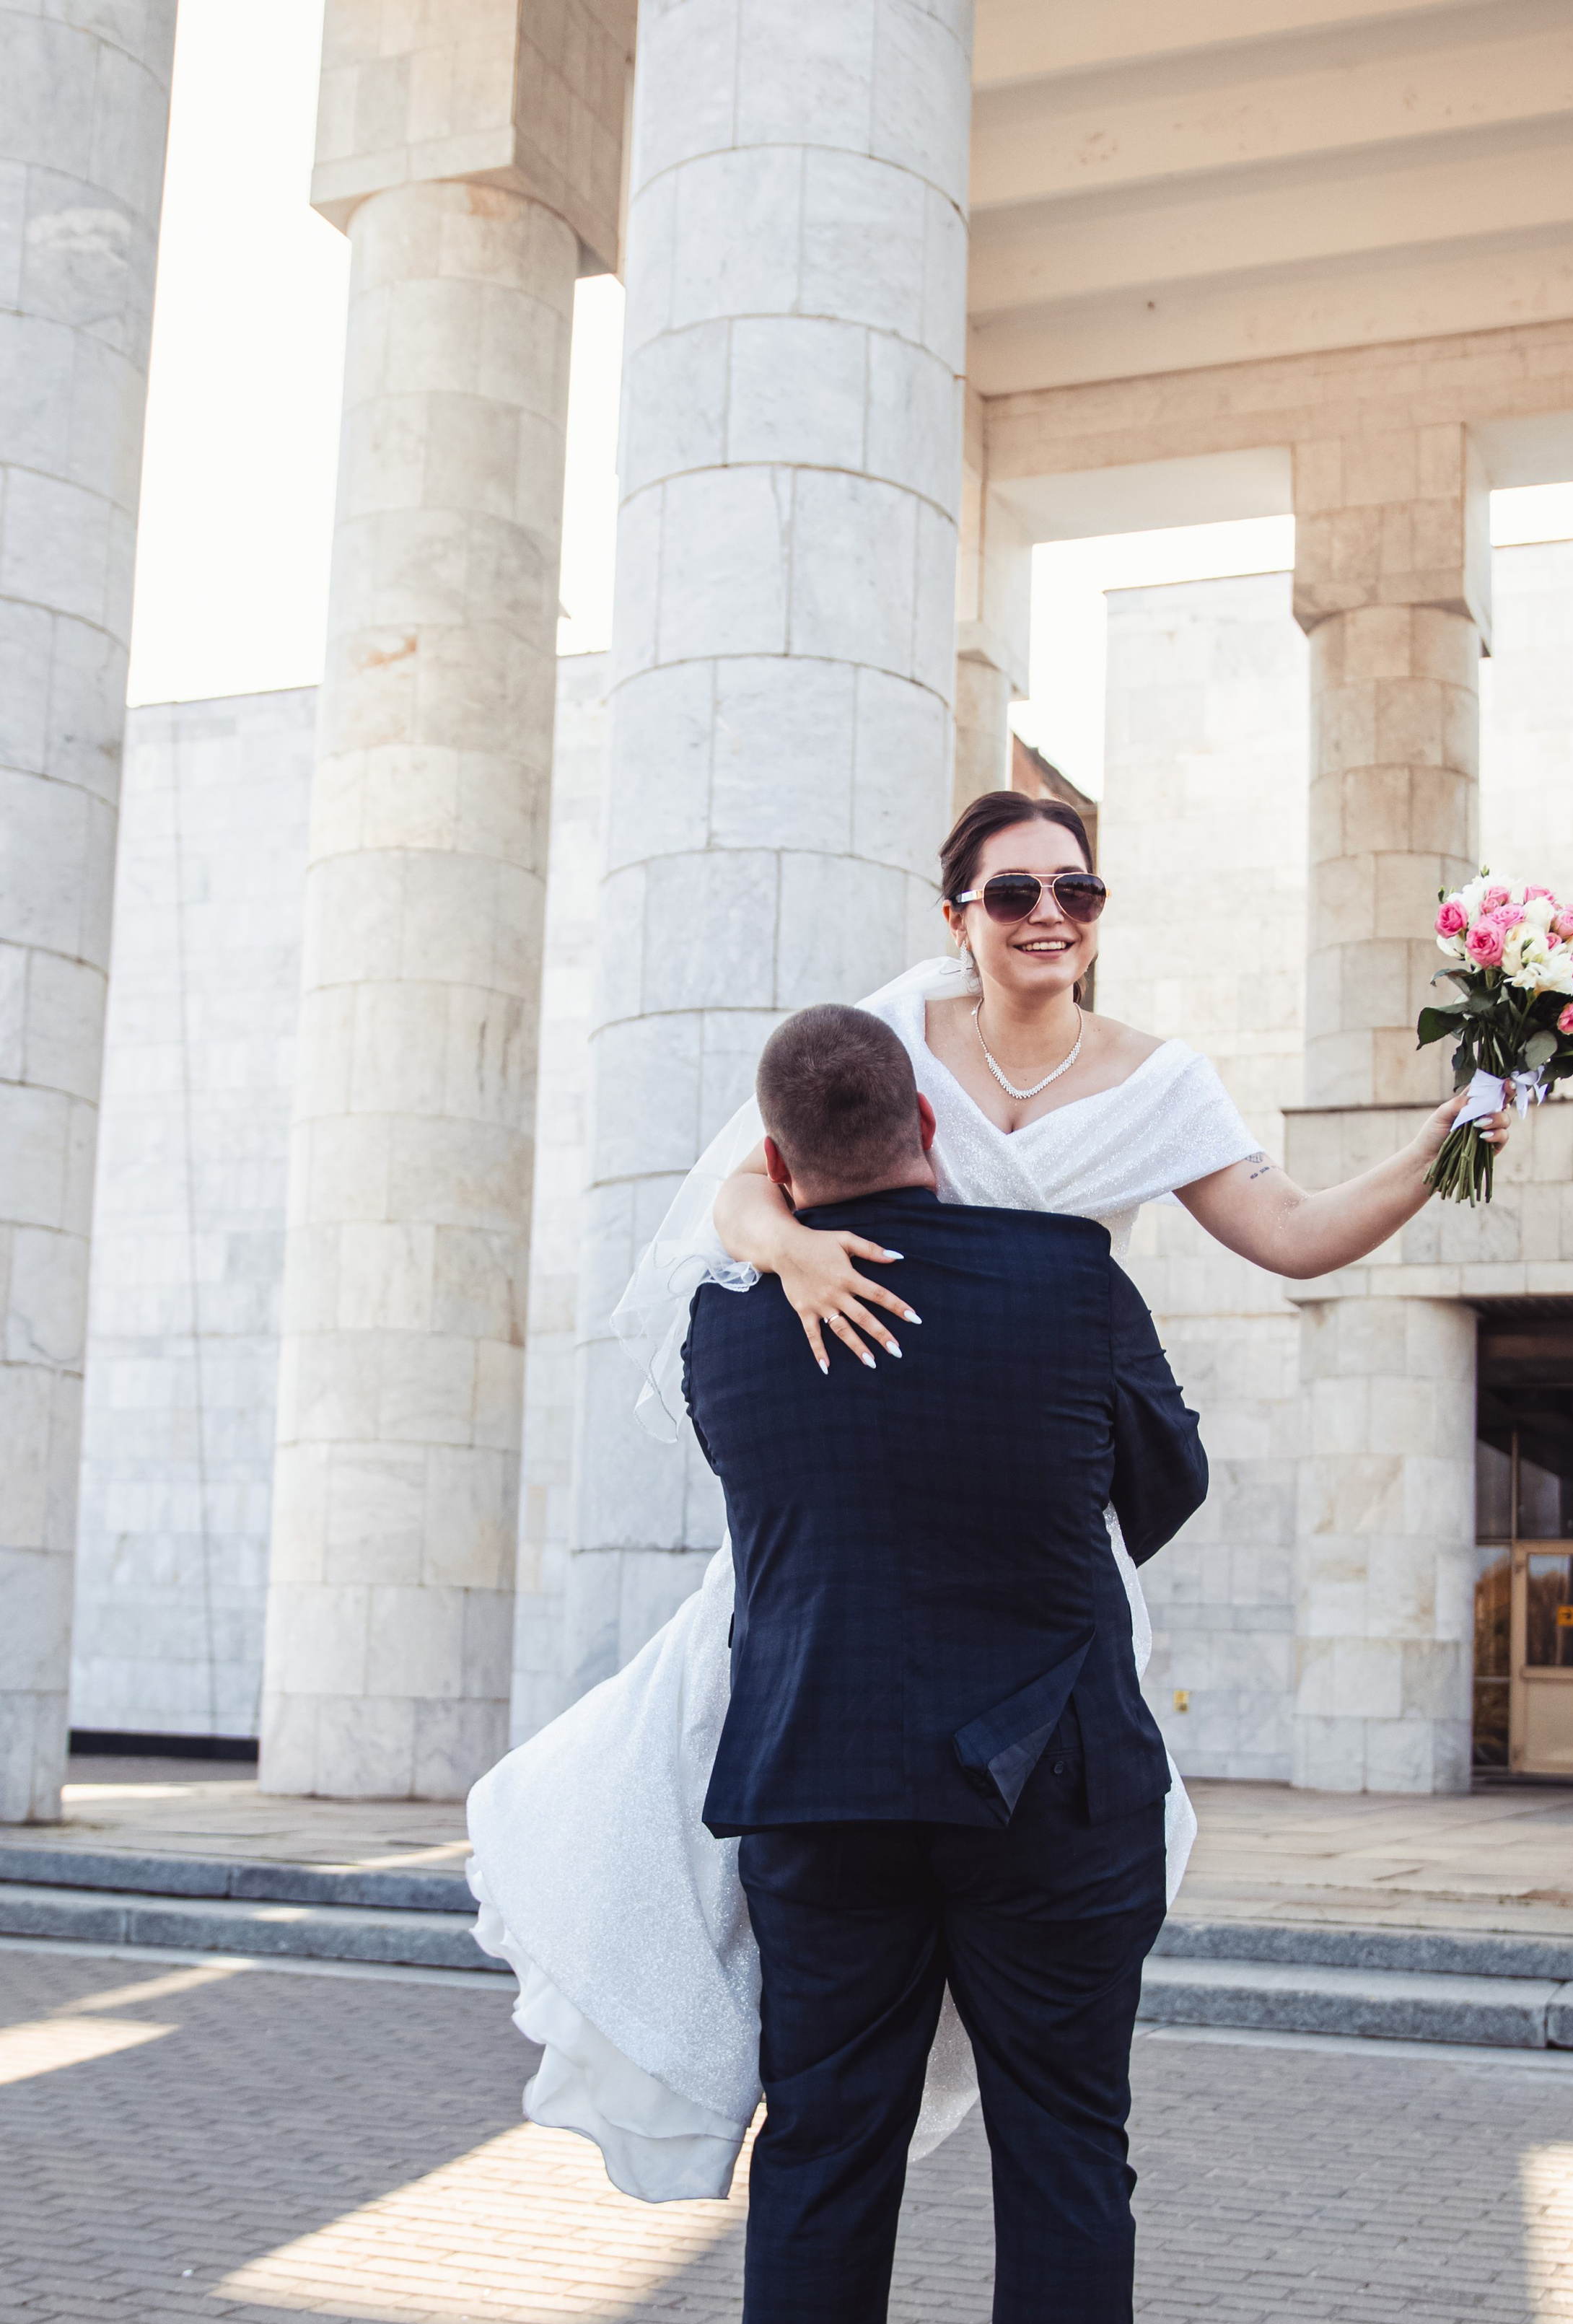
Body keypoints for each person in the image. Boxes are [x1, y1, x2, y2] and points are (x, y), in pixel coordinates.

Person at [467, 789, 1510, 2201]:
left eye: (1075, 893)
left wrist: (1449, 1135)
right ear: (951, 913)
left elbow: (1296, 1232)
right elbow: (736, 1191)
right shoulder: (889, 1036)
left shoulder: (1164, 1082)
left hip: (1020, 1501)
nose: (1046, 919)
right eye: (1011, 894)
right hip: (872, 1459)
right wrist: (794, 1257)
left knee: (1026, 1987)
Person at [683, 1001, 1207, 2324]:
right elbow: (1165, 1488)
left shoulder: (727, 1328)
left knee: (822, 2150)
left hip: (820, 1788)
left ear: (775, 1159)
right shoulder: (1066, 1283)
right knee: (1064, 2153)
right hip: (1046, 1786)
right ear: (929, 1117)